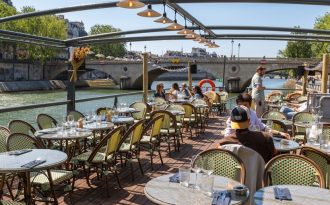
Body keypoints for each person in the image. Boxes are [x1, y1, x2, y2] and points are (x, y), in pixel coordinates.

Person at [224, 93, 290, 139]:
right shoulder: (234, 114)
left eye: (245, 105)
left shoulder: (252, 113)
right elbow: (228, 132)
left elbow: (262, 127)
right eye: (240, 105)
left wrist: (279, 133)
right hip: (238, 141)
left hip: (251, 139)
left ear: (250, 105)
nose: (242, 108)